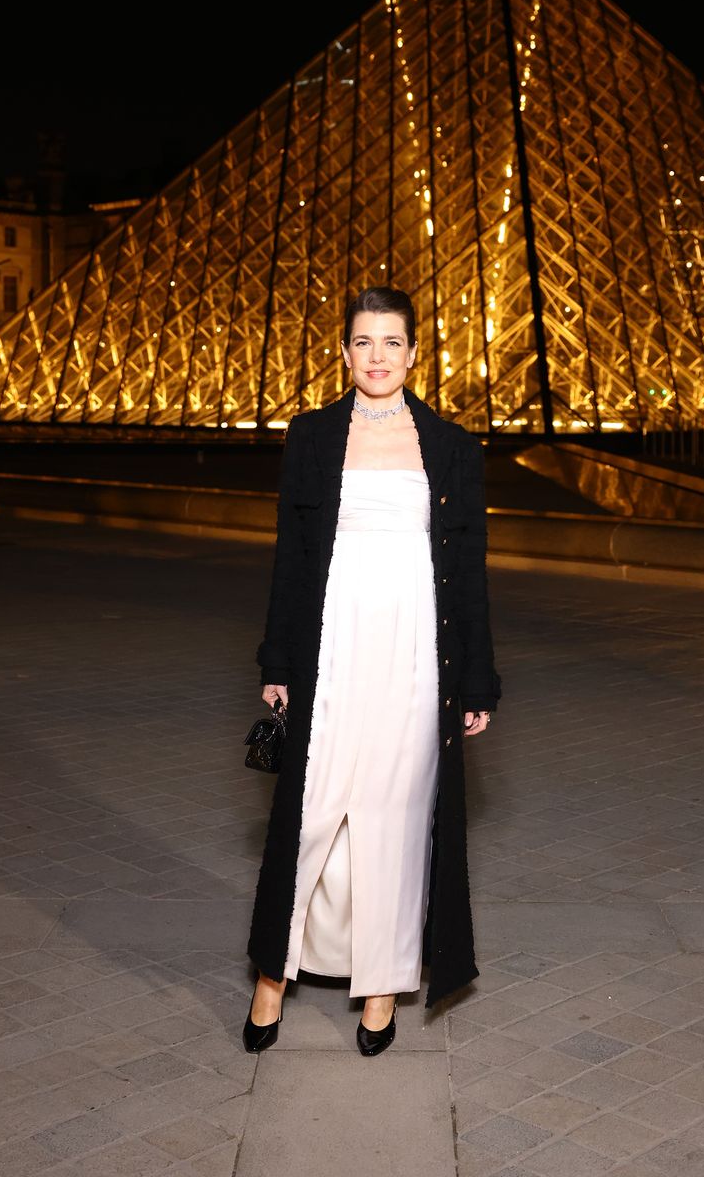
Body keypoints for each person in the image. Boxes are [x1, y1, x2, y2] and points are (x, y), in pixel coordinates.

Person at [244, 285, 501, 1057]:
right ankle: (271, 977)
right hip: (334, 642)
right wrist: (277, 658)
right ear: (344, 352)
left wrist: (479, 681)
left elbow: (472, 573)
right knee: (314, 807)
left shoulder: (452, 446)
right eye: (364, 342)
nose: (378, 356)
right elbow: (291, 558)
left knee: (394, 817)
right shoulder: (313, 436)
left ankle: (381, 987)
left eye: (393, 342)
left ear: (416, 354)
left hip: (417, 650)